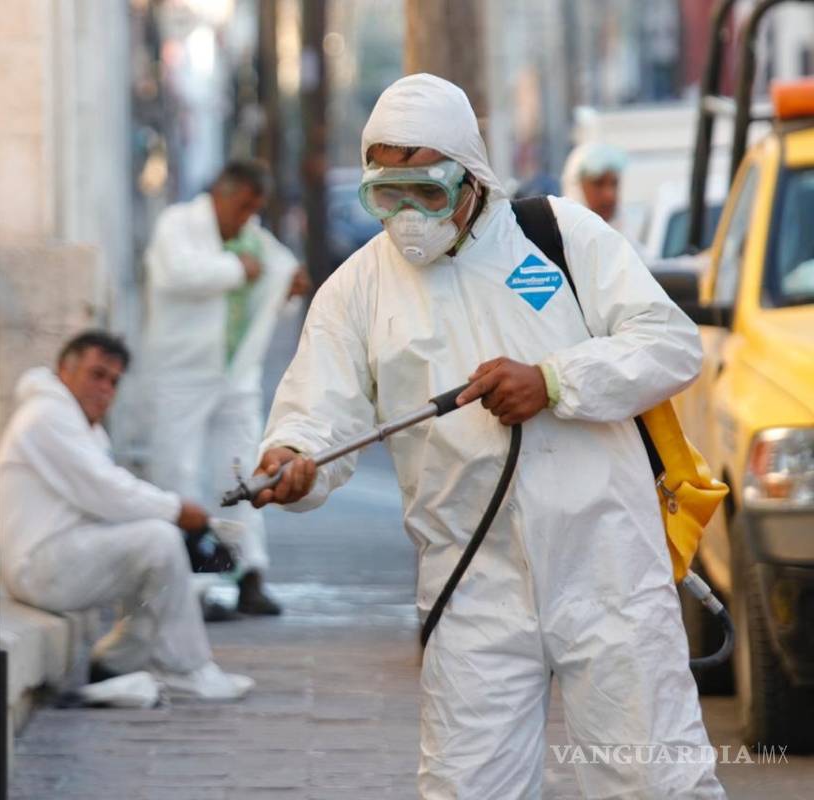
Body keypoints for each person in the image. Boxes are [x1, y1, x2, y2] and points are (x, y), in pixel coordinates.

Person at [251, 74, 725, 798]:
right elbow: (319, 412)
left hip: (606, 566)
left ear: (472, 178)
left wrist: (554, 381)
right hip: (471, 582)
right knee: (470, 788)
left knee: (654, 783)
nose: (408, 216)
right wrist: (293, 459)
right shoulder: (356, 290)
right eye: (387, 194)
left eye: (428, 193)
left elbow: (669, 345)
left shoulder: (560, 238)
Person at [0, 330, 253, 701]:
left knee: (157, 547)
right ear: (63, 371)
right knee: (158, 541)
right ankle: (184, 668)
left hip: (58, 556)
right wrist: (176, 510)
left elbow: (106, 499)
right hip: (39, 566)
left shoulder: (79, 424)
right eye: (96, 375)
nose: (105, 389)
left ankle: (121, 658)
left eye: (114, 381)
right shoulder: (47, 415)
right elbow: (106, 490)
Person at [143, 159, 305, 617]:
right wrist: (238, 268)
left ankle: (247, 574)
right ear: (221, 193)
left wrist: (288, 287)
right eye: (243, 206)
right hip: (182, 372)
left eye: (255, 208)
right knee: (180, 472)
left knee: (241, 473)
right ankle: (192, 588)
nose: (247, 216)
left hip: (236, 376)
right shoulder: (178, 225)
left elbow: (275, 283)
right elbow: (178, 273)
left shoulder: (254, 236)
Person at [561, 141, 642, 247]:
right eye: (598, 184)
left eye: (614, 184)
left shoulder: (632, 251)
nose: (609, 195)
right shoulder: (557, 251)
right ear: (576, 187)